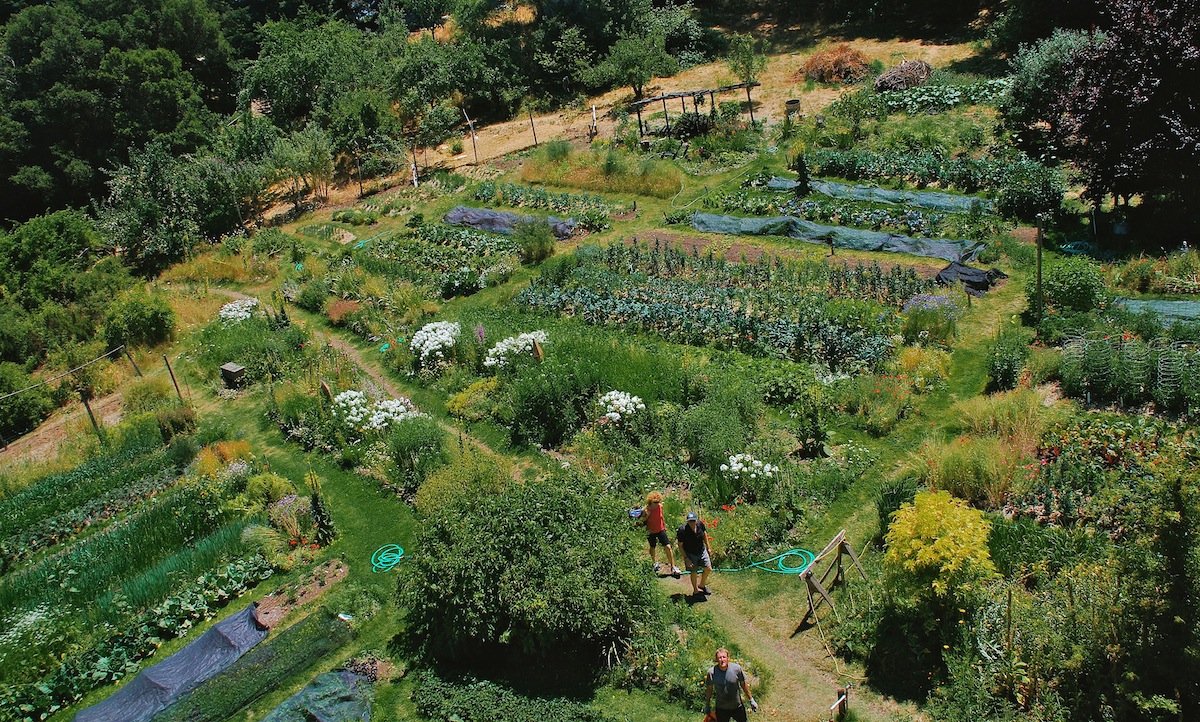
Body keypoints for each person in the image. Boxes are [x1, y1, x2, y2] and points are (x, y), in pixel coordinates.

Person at [705, 648, 757, 722]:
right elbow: (709, 689)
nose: (722, 660)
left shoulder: (736, 669)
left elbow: (743, 684)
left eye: (724, 657)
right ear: (716, 660)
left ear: (728, 658)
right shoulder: (711, 673)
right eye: (719, 658)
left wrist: (751, 700)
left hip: (737, 706)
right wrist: (707, 704)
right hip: (721, 708)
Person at [640, 492, 681, 577]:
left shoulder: (660, 507)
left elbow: (661, 517)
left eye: (658, 502)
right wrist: (647, 516)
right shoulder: (646, 510)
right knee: (652, 547)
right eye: (655, 502)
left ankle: (673, 566)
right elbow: (641, 521)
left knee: (668, 547)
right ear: (650, 501)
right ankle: (654, 562)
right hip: (650, 531)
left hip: (660, 530)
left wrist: (664, 527)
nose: (657, 504)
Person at [676, 511, 712, 596]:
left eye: (693, 521)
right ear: (687, 521)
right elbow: (680, 545)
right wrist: (686, 558)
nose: (692, 523)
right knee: (694, 572)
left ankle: (702, 585)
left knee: (708, 568)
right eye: (690, 521)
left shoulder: (700, 525)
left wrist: (708, 547)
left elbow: (704, 534)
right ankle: (695, 591)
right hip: (690, 553)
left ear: (696, 520)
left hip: (701, 550)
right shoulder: (683, 530)